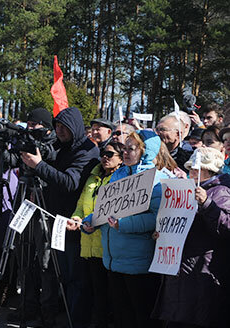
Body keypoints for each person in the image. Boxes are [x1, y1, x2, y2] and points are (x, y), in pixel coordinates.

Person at [17, 107, 99, 327]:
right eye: (58, 127)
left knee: (73, 277)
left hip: (74, 221)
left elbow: (71, 182)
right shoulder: (59, 146)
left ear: (76, 128)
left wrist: (39, 165)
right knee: (54, 269)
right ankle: (47, 312)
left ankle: (73, 320)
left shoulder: (87, 150)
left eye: (65, 128)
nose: (60, 132)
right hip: (53, 215)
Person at [83, 130, 168, 328]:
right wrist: (89, 222)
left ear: (146, 152)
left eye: (132, 149)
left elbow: (156, 218)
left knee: (141, 317)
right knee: (122, 317)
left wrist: (124, 224)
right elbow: (106, 210)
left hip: (139, 263)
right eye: (124, 149)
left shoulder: (156, 179)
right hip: (113, 261)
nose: (126, 153)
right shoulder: (118, 175)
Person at [152, 147, 230, 328]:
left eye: (198, 168)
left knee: (197, 317)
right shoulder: (184, 190)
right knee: (178, 317)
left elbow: (226, 227)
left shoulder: (221, 192)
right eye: (191, 168)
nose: (193, 171)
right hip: (180, 267)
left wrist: (207, 204)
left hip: (201, 266)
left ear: (209, 170)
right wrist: (163, 234)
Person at [67, 141, 124, 327]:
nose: (105, 157)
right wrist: (76, 218)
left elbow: (113, 211)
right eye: (103, 153)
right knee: (91, 290)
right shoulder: (93, 177)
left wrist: (94, 223)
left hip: (106, 246)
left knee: (106, 295)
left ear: (121, 159)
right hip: (88, 243)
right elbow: (81, 203)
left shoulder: (119, 179)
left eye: (110, 154)